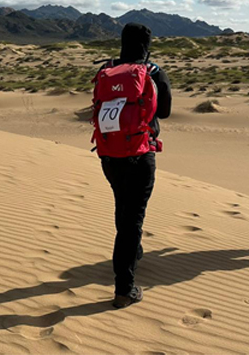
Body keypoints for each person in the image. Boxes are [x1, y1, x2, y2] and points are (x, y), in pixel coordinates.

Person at [92, 22, 172, 308]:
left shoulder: (106, 69)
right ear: (147, 45)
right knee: (133, 219)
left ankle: (132, 252)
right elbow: (165, 111)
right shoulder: (153, 71)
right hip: (141, 152)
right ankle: (124, 288)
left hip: (108, 154)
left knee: (122, 205)